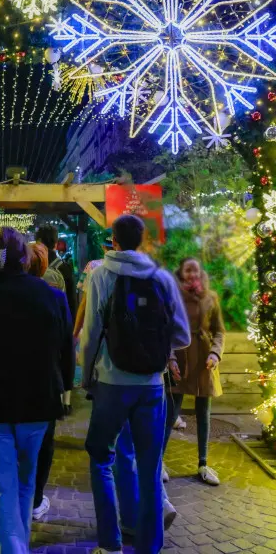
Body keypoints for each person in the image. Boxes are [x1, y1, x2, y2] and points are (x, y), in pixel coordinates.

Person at [81, 215, 190, 554]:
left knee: (101, 456)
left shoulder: (101, 275)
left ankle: (110, 544)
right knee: (150, 465)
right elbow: (183, 335)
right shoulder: (160, 277)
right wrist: (157, 349)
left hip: (112, 383)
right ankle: (149, 547)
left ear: (112, 239)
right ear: (143, 239)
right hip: (151, 385)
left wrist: (87, 377)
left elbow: (90, 336)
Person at [0, 227, 74, 554]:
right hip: (38, 404)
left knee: (2, 492)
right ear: (24, 255)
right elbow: (66, 350)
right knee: (26, 485)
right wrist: (65, 393)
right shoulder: (50, 295)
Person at [164, 257, 225, 487]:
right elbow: (167, 329)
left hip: (204, 361)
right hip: (180, 358)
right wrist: (170, 357)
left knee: (204, 413)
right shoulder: (173, 297)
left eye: (195, 271)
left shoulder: (212, 297)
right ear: (181, 273)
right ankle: (159, 461)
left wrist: (215, 354)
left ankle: (203, 462)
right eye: (187, 271)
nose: (192, 275)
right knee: (171, 411)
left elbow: (219, 331)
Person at [27, 243, 66, 520]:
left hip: (15, 383)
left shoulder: (6, 294)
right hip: (47, 381)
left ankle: (24, 495)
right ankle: (36, 498)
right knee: (44, 442)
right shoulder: (55, 296)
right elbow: (65, 345)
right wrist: (65, 387)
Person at [36, 225, 77, 325]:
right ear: (56, 243)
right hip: (59, 323)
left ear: (39, 241)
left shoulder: (31, 265)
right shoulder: (64, 267)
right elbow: (71, 301)